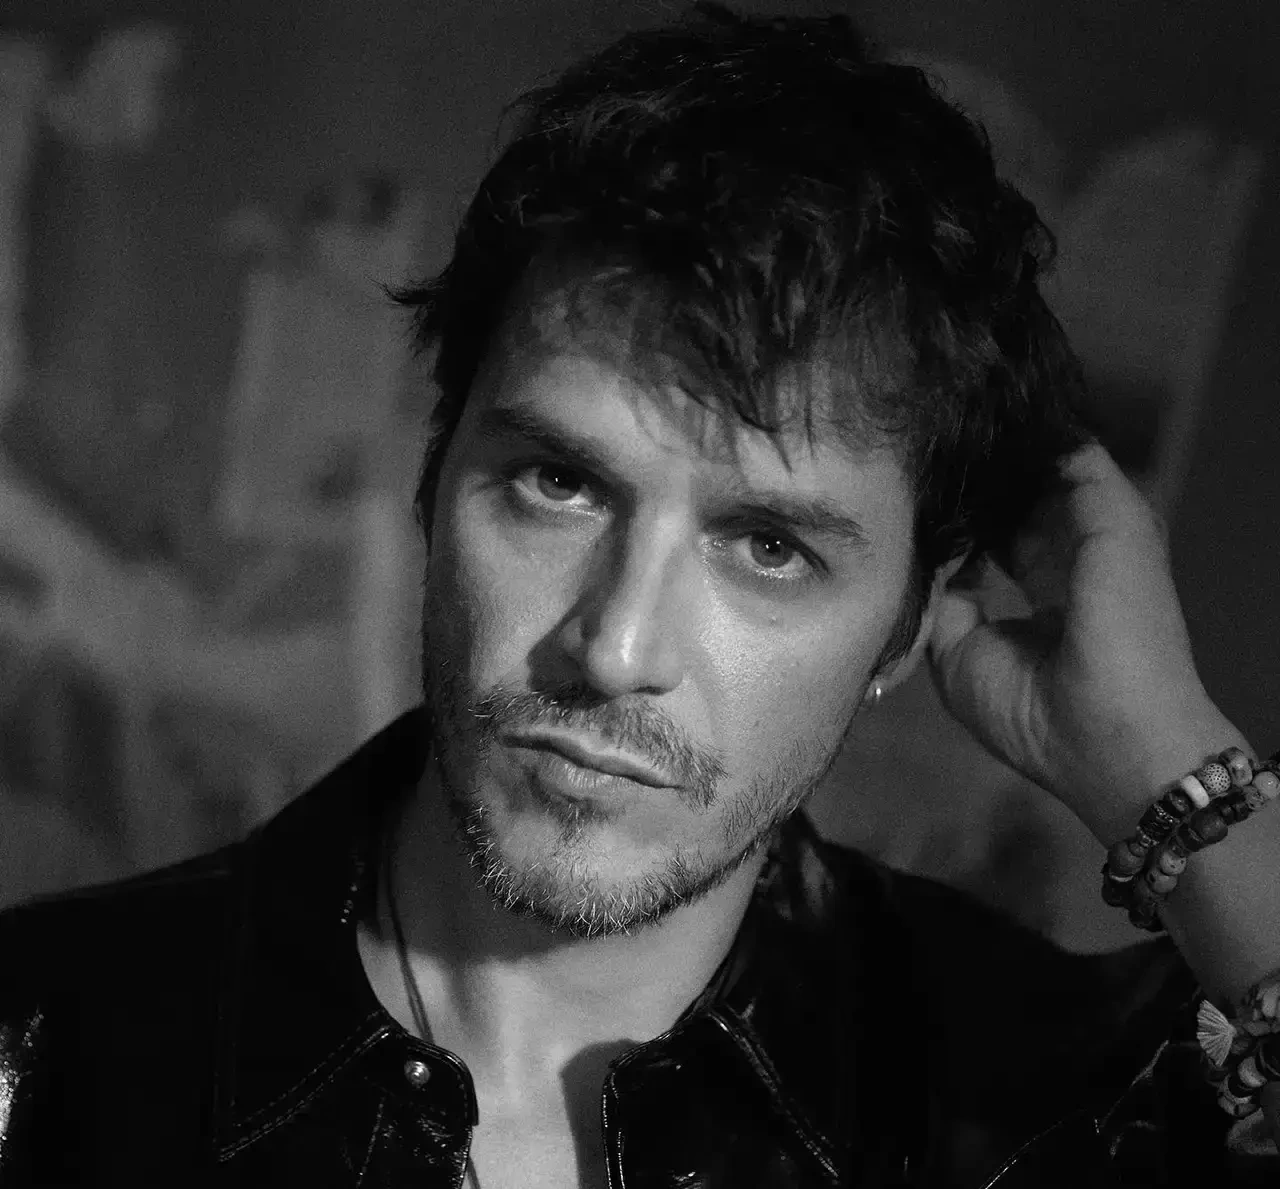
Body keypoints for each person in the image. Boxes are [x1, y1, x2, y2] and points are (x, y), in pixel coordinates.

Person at [1, 5, 1277, 1186]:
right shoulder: (41, 1052)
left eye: (767, 547)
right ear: (433, 482)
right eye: (558, 483)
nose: (613, 647)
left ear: (903, 624)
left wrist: (1166, 767)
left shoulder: (1058, 1109)